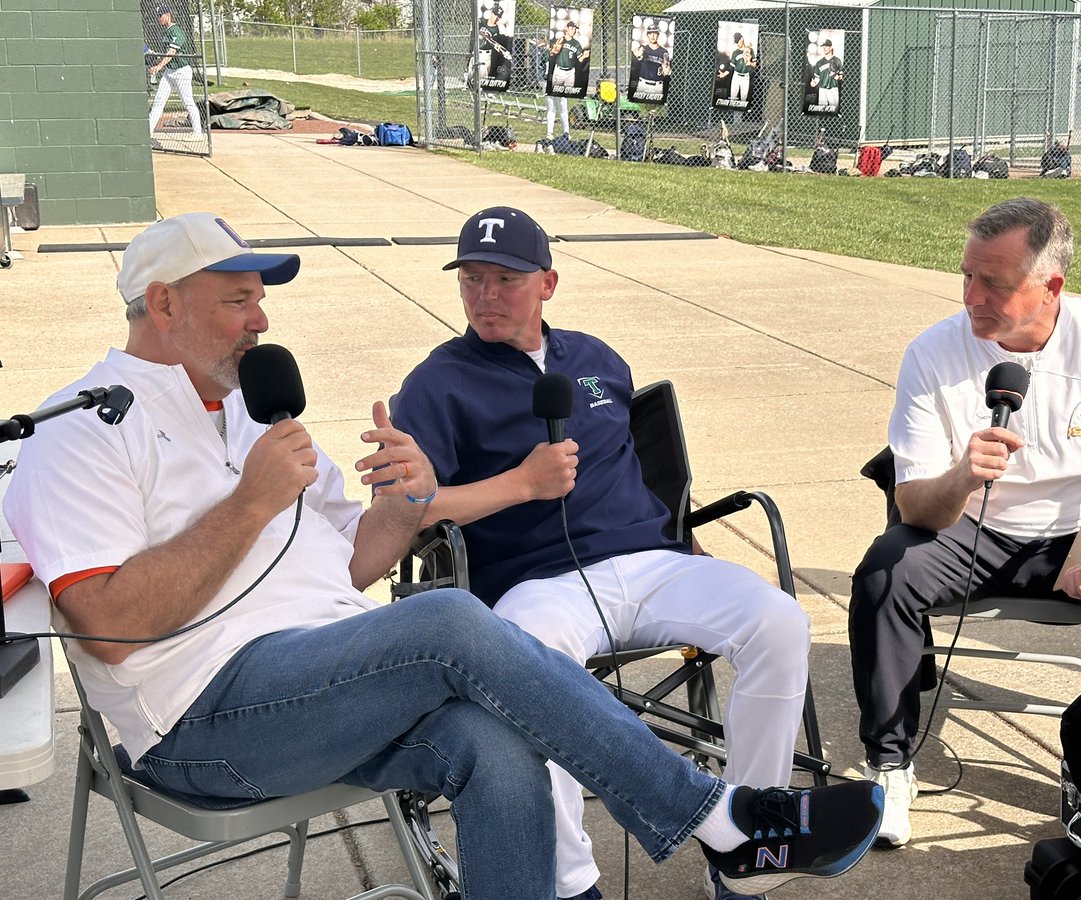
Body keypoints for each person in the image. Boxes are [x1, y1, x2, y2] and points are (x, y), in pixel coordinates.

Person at [5, 212, 884, 900]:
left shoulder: (252, 413)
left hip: (324, 690)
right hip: (201, 725)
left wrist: (407, 503)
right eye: (237, 299)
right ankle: (717, 816)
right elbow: (111, 629)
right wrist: (248, 504)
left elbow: (354, 563)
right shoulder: (80, 428)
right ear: (164, 304)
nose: (261, 317)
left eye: (259, 297)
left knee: (494, 744)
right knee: (450, 622)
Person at [388, 207, 816, 900]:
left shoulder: (598, 359)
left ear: (548, 283)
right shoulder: (437, 384)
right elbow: (410, 517)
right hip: (536, 582)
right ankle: (567, 881)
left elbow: (643, 472)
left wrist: (696, 550)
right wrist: (520, 484)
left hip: (654, 562)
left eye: (505, 279)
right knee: (533, 672)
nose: (486, 296)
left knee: (780, 622)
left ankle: (748, 854)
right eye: (471, 279)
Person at [849, 197, 1081, 849]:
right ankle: (891, 765)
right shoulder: (932, 354)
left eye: (994, 284)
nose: (971, 296)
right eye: (966, 276)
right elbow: (914, 508)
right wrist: (960, 477)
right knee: (884, 571)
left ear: (1051, 285)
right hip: (975, 533)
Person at [147, 4, 202, 138]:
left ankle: (197, 133)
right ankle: (148, 132)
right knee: (158, 101)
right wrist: (157, 61)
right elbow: (166, 53)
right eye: (157, 15)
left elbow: (171, 52)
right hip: (169, 72)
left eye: (160, 15)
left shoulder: (176, 31)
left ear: (168, 15)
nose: (158, 18)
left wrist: (159, 66)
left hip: (181, 71)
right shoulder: (165, 31)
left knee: (188, 102)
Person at [631, 25, 671, 103]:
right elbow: (638, 60)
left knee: (655, 108)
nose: (652, 35)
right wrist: (639, 56)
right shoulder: (643, 48)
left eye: (655, 33)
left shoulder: (663, 52)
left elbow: (666, 70)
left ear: (658, 35)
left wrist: (666, 70)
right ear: (647, 35)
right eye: (650, 33)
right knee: (641, 106)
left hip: (657, 85)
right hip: (643, 83)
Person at [549, 21, 589, 96]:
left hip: (570, 73)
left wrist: (584, 56)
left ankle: (564, 108)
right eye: (572, 28)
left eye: (575, 29)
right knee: (555, 93)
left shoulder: (576, 44)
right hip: (559, 71)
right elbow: (552, 53)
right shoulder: (560, 40)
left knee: (567, 95)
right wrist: (552, 51)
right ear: (566, 28)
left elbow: (579, 59)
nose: (574, 30)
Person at [809, 39, 842, 111]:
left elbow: (842, 75)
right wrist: (814, 83)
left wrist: (839, 77)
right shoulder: (819, 63)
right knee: (821, 111)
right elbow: (817, 78)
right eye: (823, 46)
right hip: (822, 90)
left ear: (830, 47)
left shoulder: (837, 61)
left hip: (833, 89)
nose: (824, 48)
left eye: (826, 46)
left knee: (834, 110)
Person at [728, 32, 756, 103]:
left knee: (744, 97)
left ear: (742, 39)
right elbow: (731, 67)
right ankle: (733, 113)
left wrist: (750, 63)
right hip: (736, 76)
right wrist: (724, 74)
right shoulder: (735, 52)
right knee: (733, 97)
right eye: (736, 42)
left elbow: (755, 65)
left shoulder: (750, 50)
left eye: (738, 41)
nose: (737, 44)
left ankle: (740, 114)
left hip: (746, 77)